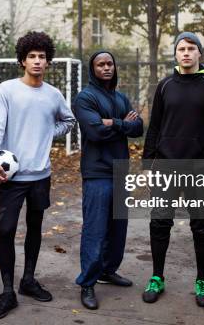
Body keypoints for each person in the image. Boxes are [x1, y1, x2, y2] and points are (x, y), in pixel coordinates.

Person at [0, 31, 76, 319]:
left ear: (48, 62)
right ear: (22, 60)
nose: (37, 61)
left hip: (41, 175)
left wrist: (51, 132)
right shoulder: (7, 89)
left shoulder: (53, 94)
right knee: (8, 231)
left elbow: (69, 121)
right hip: (12, 178)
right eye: (32, 56)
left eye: (42, 57)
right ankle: (7, 291)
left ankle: (28, 280)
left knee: (35, 228)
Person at [142, 31, 204, 307]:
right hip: (166, 166)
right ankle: (157, 277)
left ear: (199, 54)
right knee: (159, 222)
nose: (186, 52)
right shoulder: (165, 85)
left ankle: (202, 280)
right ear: (176, 54)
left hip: (200, 168)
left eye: (192, 48)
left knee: (202, 226)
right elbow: (154, 126)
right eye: (181, 48)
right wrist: (147, 165)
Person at [73, 51, 143, 310]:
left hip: (120, 171)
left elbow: (139, 128)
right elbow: (94, 131)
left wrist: (113, 122)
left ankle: (107, 270)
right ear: (93, 69)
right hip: (97, 172)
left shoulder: (120, 97)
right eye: (100, 64)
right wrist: (122, 124)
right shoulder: (85, 98)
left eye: (109, 63)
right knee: (96, 229)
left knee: (118, 228)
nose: (106, 68)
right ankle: (88, 283)